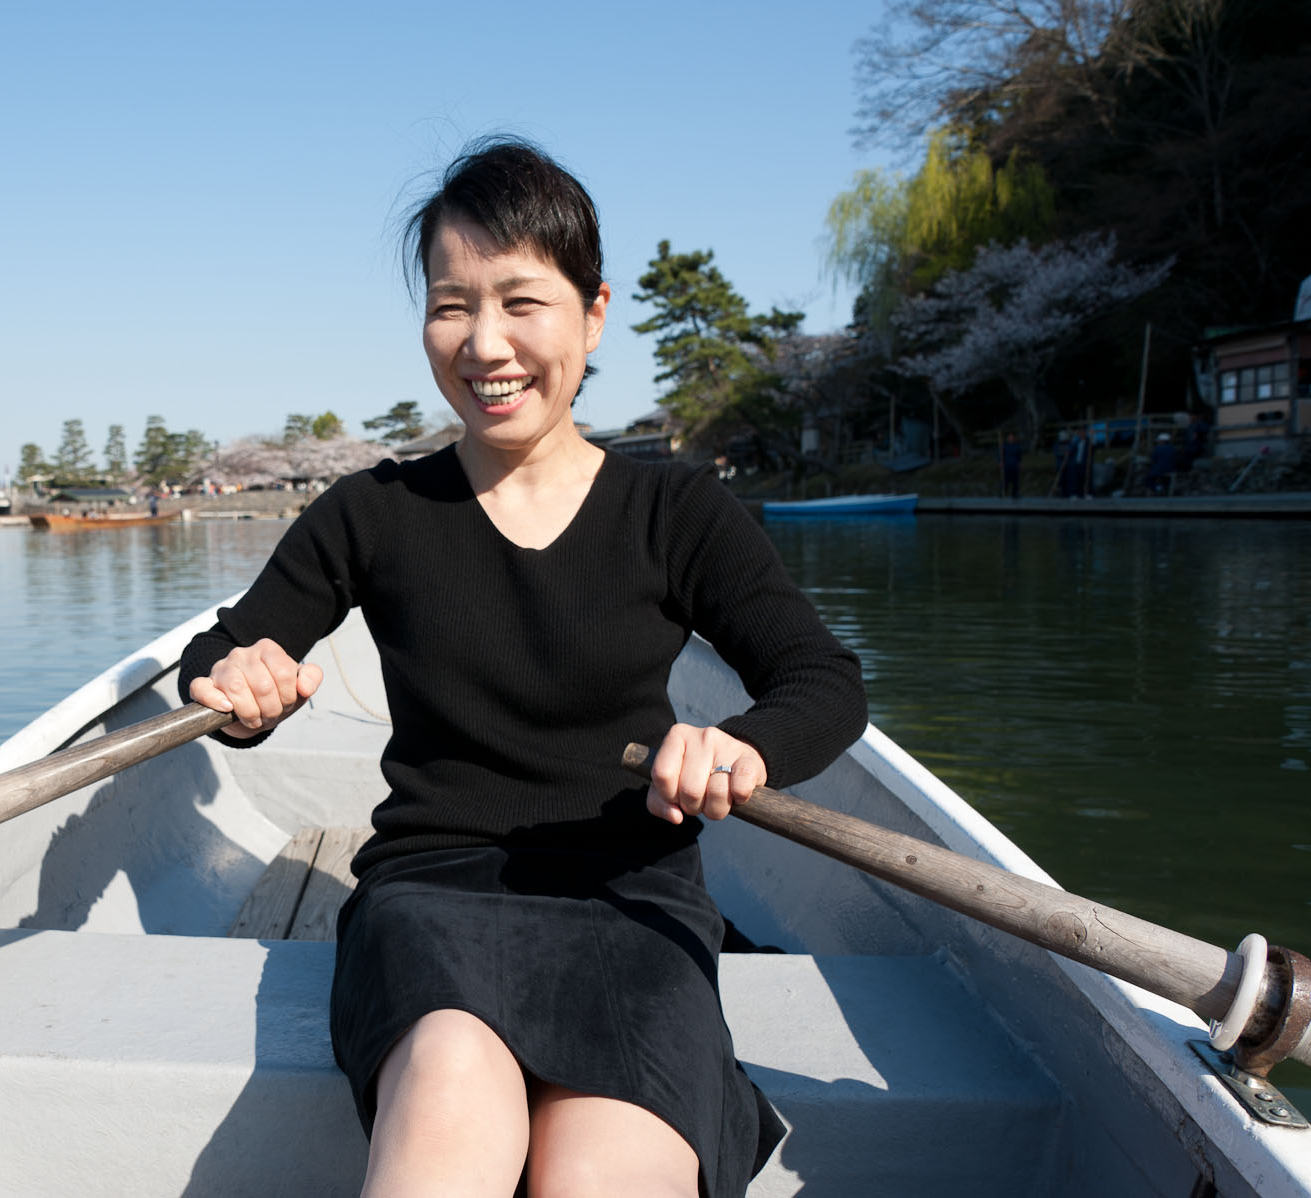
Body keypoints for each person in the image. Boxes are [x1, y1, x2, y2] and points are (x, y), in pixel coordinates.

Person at [179, 139, 866, 1198]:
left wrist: (741, 745)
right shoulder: (372, 512)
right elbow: (223, 651)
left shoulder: (674, 511)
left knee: (601, 1173)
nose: (484, 344)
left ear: (593, 315)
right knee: (449, 1091)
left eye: (520, 302)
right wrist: (239, 686)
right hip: (430, 898)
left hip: (630, 901)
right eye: (452, 306)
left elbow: (824, 682)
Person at [999, 431, 1024, 499]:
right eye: (1009, 437)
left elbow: (1019, 456)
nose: (1011, 439)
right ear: (1007, 438)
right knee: (1005, 480)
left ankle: (1015, 493)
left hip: (1014, 465)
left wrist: (1020, 463)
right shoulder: (1004, 446)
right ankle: (1003, 492)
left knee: (1015, 480)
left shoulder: (1016, 446)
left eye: (1012, 437)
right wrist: (1000, 462)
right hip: (1006, 465)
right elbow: (1000, 455)